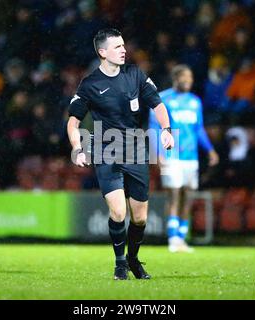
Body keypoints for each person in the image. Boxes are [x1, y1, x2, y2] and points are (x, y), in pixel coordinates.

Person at [67, 28, 174, 280]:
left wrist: (167, 130)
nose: (124, 50)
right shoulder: (90, 84)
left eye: (124, 45)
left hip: (136, 149)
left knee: (140, 218)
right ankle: (120, 263)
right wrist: (78, 147)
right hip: (106, 150)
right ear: (102, 52)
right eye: (117, 47)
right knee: (118, 213)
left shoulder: (135, 75)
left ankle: (134, 260)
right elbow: (73, 122)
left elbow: (157, 104)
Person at [149, 65, 219, 253]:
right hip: (171, 154)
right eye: (185, 78)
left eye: (190, 78)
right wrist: (158, 153)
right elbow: (155, 127)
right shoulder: (163, 99)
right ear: (175, 78)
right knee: (173, 195)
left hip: (191, 156)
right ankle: (172, 239)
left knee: (188, 197)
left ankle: (181, 238)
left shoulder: (195, 101)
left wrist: (210, 150)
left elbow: (199, 129)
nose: (188, 81)